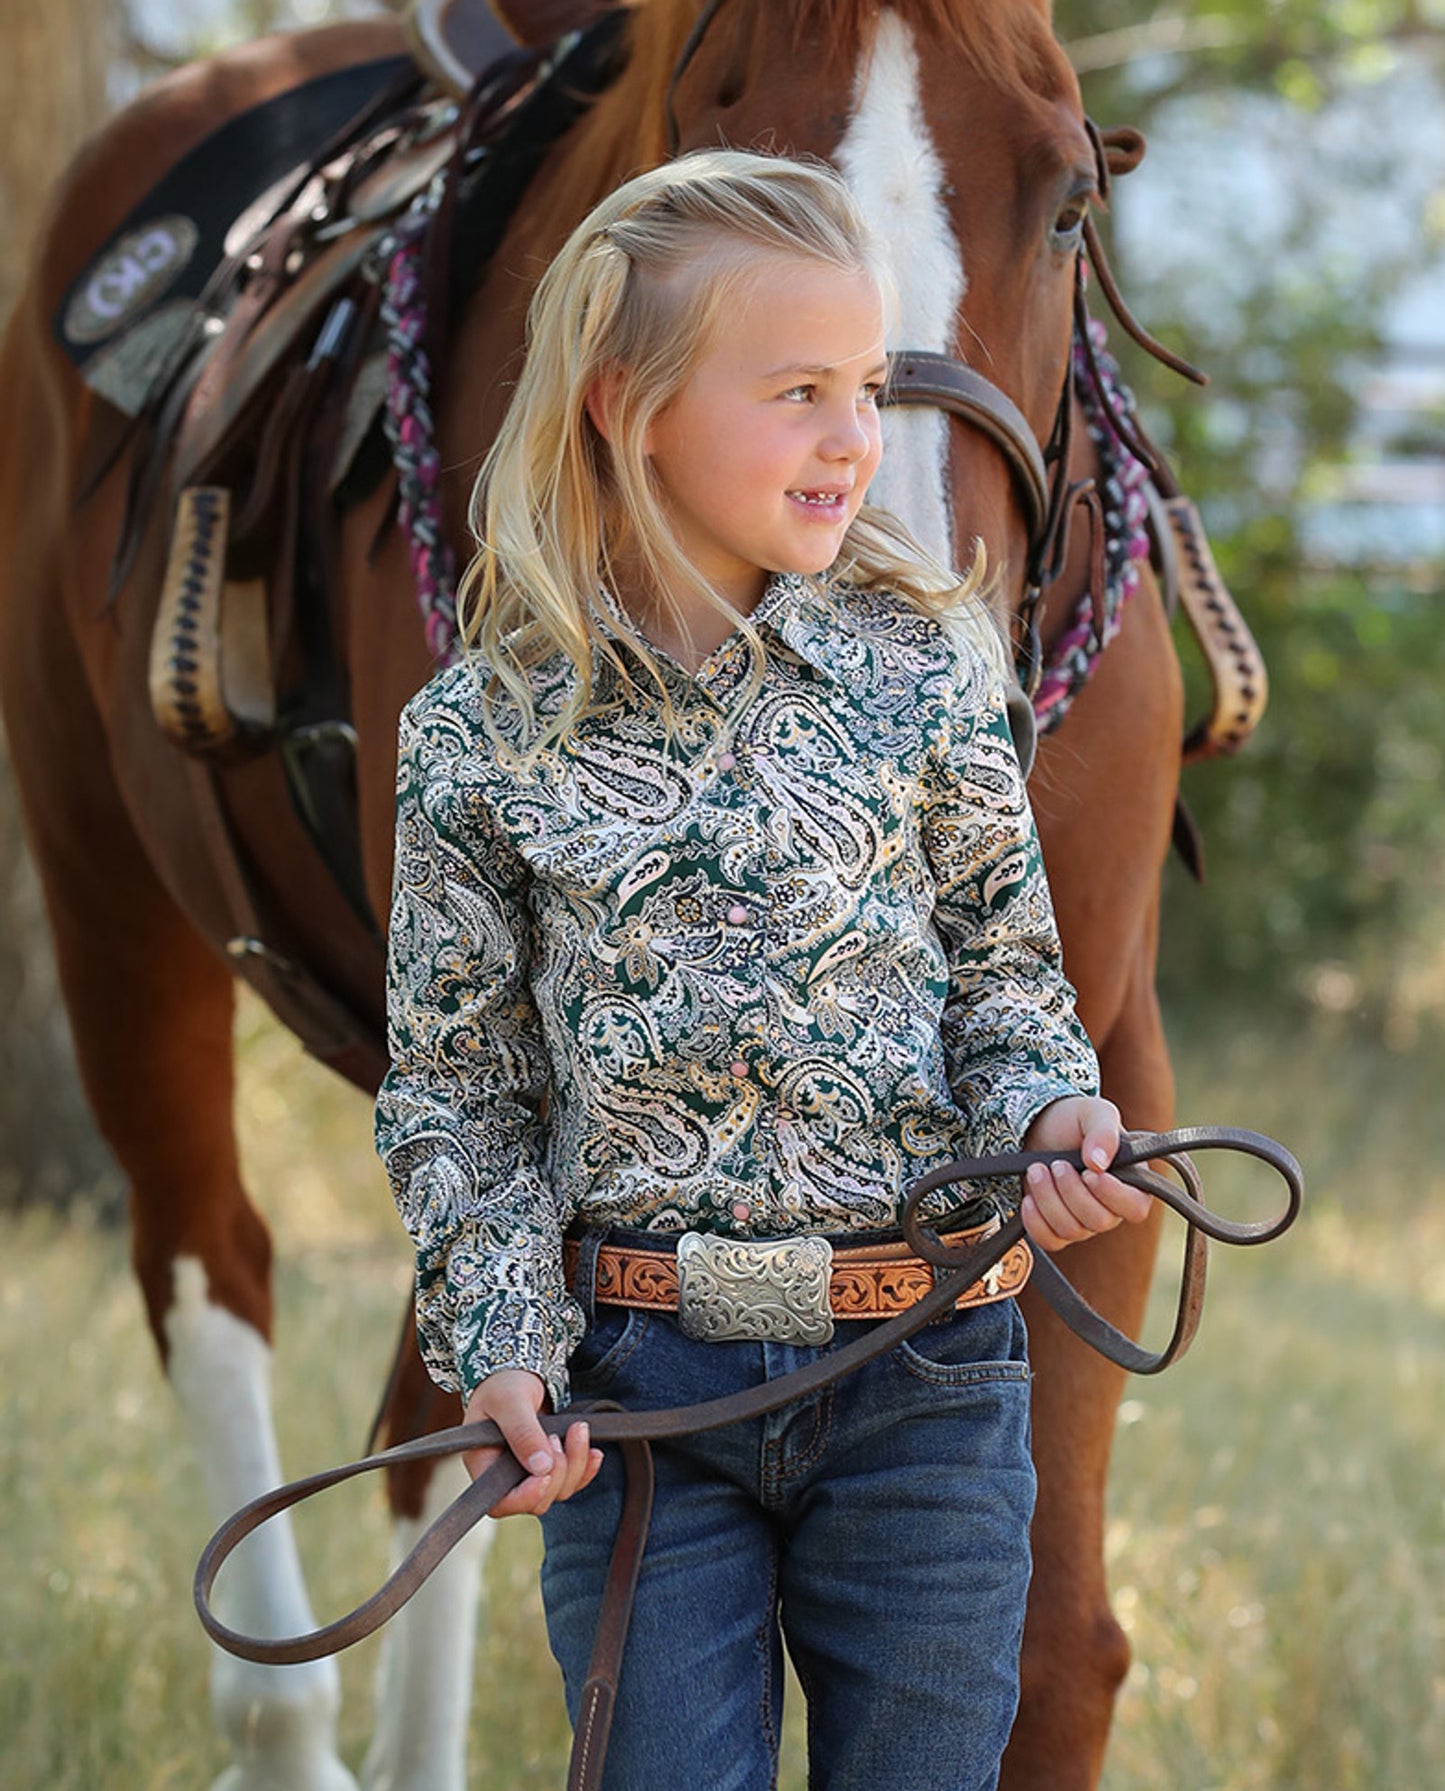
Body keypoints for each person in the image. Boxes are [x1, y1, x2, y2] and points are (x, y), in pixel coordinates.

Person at [375, 147, 1151, 1791]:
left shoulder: (923, 662)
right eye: (796, 389)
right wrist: (504, 1342)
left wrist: (1051, 1117)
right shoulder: (475, 734)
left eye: (865, 387)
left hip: (925, 1370)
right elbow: (459, 1083)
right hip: (640, 1392)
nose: (852, 438)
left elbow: (1003, 972)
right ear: (625, 402)